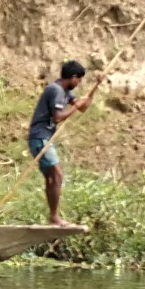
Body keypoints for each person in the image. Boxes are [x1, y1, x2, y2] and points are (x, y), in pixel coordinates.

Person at [27, 59, 94, 225]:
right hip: (41, 137)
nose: (79, 83)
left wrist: (95, 88)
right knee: (57, 175)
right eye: (79, 79)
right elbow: (58, 118)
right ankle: (55, 217)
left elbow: (83, 108)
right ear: (72, 77)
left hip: (43, 138)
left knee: (52, 179)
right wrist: (74, 107)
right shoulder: (56, 91)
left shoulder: (64, 92)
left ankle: (53, 217)